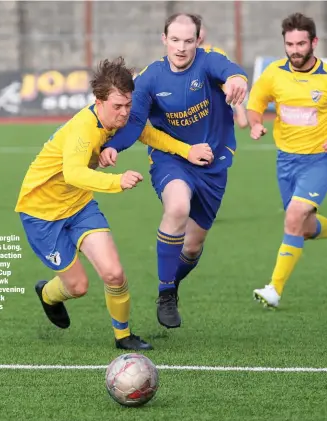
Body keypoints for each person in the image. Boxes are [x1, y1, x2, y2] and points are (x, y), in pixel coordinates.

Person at [15, 57, 214, 350]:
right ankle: (47, 294)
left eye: (128, 104)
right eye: (117, 107)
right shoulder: (84, 128)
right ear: (98, 101)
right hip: (42, 214)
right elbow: (73, 172)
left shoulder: (116, 119)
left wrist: (187, 151)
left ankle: (123, 336)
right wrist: (116, 181)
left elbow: (144, 132)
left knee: (114, 274)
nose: (124, 113)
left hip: (79, 206)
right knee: (77, 287)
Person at [99, 13, 248, 329]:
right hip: (172, 160)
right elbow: (135, 123)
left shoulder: (207, 64)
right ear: (164, 39)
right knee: (177, 206)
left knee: (192, 247)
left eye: (188, 40)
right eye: (175, 40)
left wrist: (237, 80)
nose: (181, 48)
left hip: (212, 164)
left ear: (198, 40)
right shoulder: (150, 79)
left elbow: (229, 70)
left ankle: (172, 285)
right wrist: (114, 147)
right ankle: (166, 294)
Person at [246, 13, 327, 308]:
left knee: (293, 217)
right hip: (286, 161)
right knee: (303, 226)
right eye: (290, 44)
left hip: (320, 161)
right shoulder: (274, 73)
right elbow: (256, 103)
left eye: (301, 43)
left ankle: (274, 289)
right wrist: (254, 123)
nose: (295, 50)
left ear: (313, 42)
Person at [197, 17, 248, 129]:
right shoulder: (180, 57)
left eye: (200, 28)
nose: (198, 32)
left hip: (213, 112)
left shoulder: (216, 54)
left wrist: (240, 111)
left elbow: (229, 82)